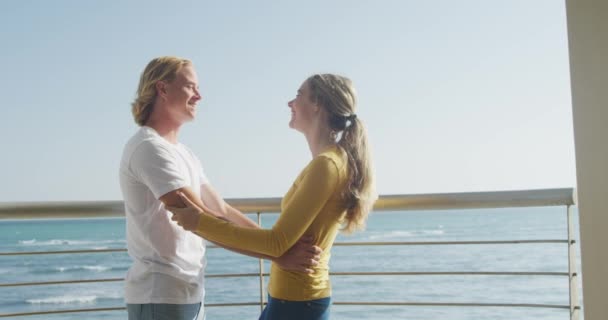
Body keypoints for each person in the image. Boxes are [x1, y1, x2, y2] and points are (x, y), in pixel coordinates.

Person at [119, 56, 323, 320]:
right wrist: (278, 256)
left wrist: (276, 247)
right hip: (161, 293)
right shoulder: (148, 147)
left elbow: (221, 210)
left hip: (190, 290)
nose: (199, 96)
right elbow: (200, 217)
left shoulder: (184, 153)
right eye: (191, 87)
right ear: (162, 88)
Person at [168, 73, 377, 320]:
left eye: (299, 95)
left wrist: (199, 223)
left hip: (298, 305)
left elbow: (276, 243)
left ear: (317, 104)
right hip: (292, 301)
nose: (290, 103)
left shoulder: (327, 165)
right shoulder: (330, 162)